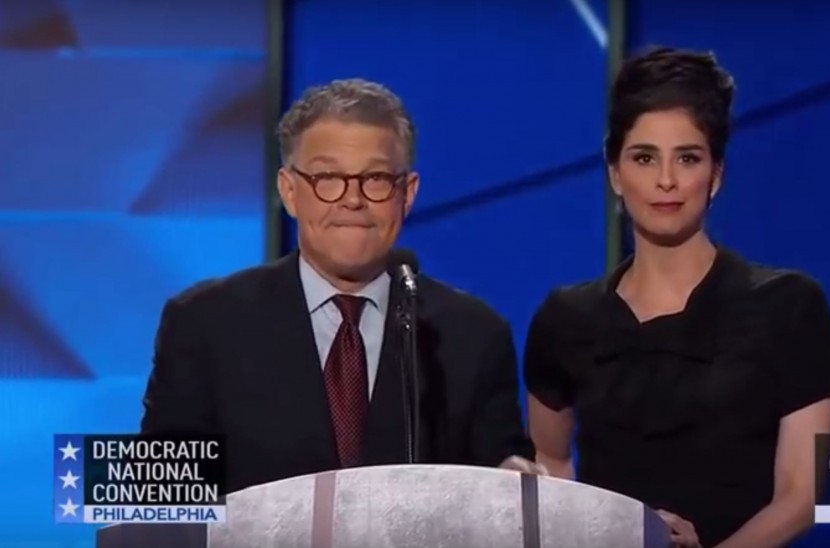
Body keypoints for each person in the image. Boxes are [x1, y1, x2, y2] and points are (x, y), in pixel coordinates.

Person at [141, 78, 538, 493]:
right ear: (289, 192)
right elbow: (153, 500)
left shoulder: (471, 335)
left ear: (407, 194)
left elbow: (504, 486)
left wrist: (514, 477)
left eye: (377, 178)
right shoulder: (205, 323)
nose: (353, 199)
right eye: (328, 177)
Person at [524, 48, 830, 548]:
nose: (666, 180)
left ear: (715, 175)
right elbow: (550, 460)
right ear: (614, 172)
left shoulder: (789, 306)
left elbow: (802, 494)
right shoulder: (566, 319)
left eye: (688, 158)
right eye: (644, 157)